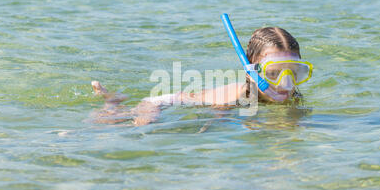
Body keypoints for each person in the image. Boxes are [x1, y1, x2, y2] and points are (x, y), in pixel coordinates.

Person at [91, 26, 312, 126]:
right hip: (160, 104)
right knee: (118, 124)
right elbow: (162, 99)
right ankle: (112, 103)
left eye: (294, 72)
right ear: (251, 71)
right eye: (273, 73)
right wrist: (149, 112)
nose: (285, 84)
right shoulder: (231, 100)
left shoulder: (293, 99)